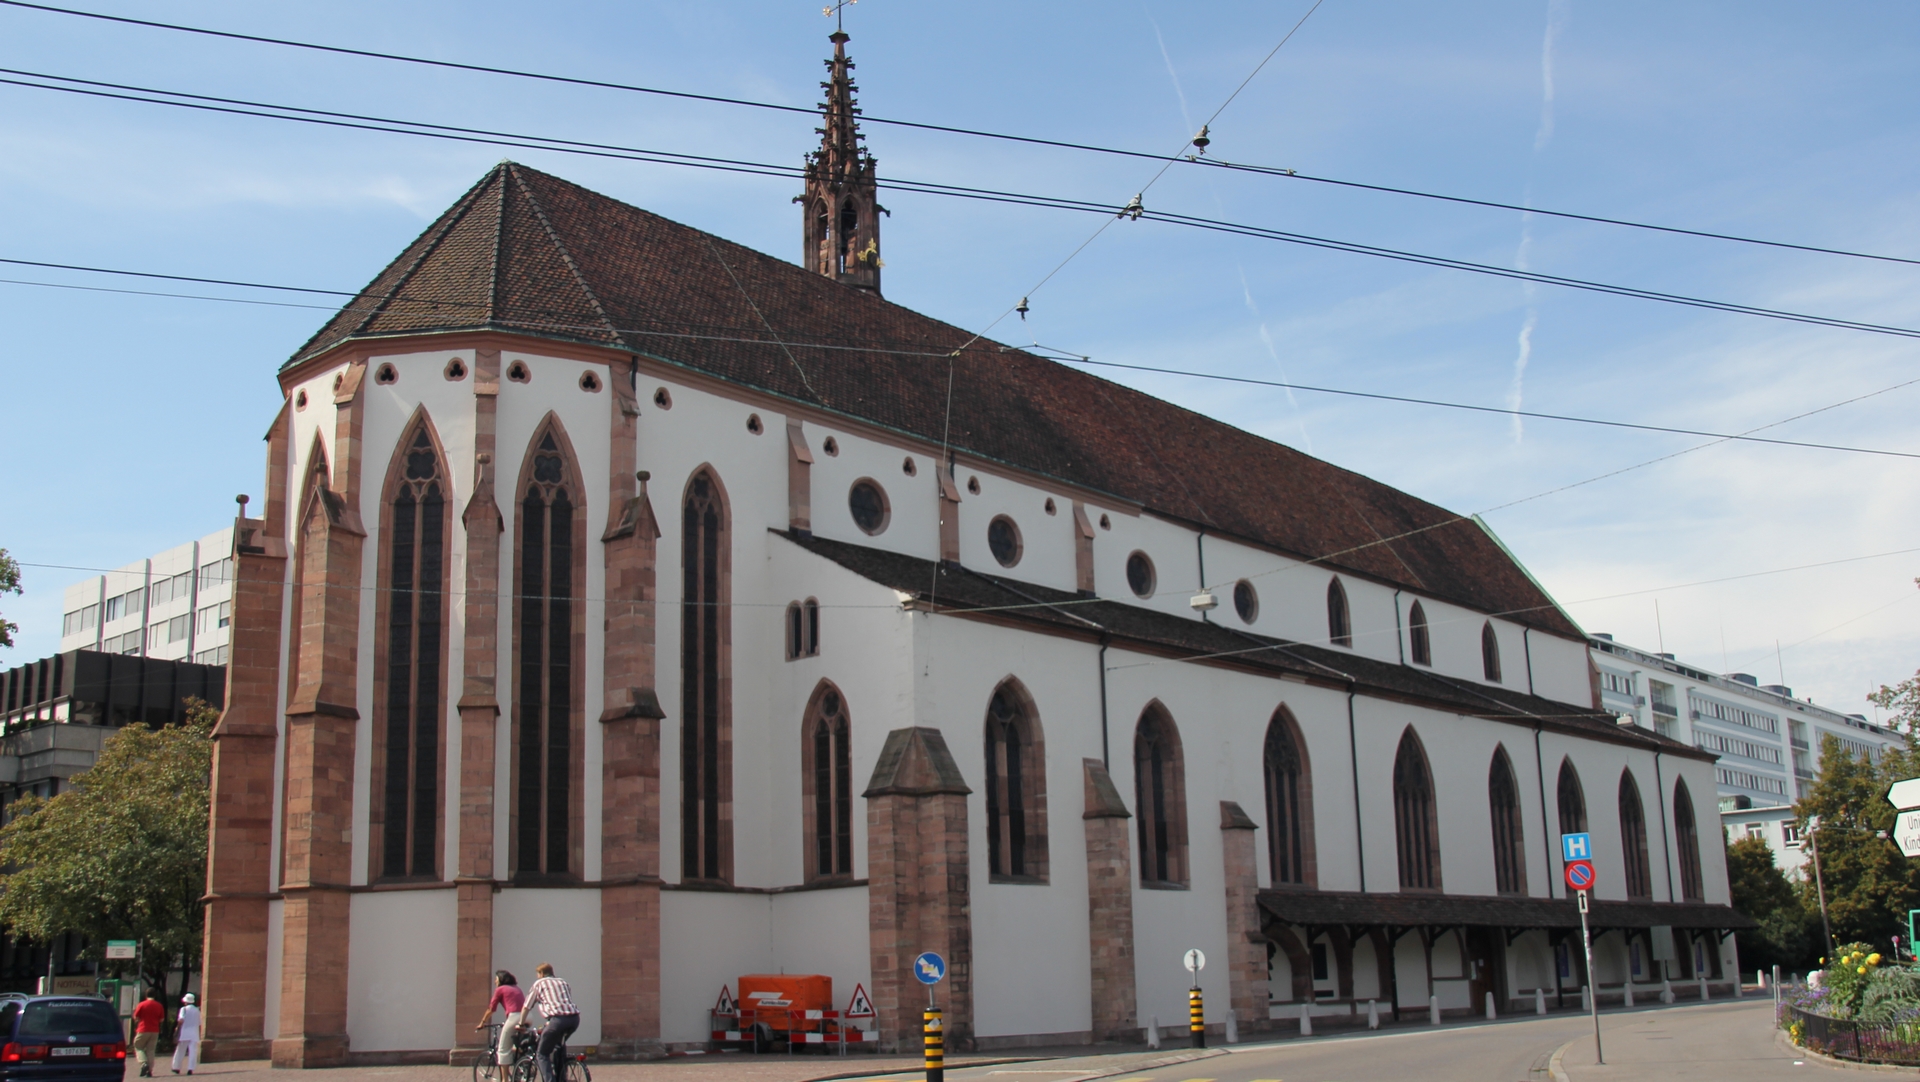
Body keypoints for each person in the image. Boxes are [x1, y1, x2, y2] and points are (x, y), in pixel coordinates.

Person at [523, 963, 579, 1082]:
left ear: (542, 973)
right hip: (574, 1019)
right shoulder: (563, 982)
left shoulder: (539, 983)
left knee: (542, 1054)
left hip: (557, 1020)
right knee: (559, 1046)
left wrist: (520, 1023)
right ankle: (562, 1078)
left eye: (538, 974)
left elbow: (527, 1006)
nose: (537, 977)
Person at [474, 970, 526, 1067]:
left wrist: (482, 1022)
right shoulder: (516, 988)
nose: (495, 982)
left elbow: (491, 1009)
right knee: (516, 1045)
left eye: (496, 979)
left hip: (514, 1017)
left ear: (501, 979)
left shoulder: (500, 989)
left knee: (502, 1050)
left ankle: (504, 1079)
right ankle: (521, 1066)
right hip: (527, 1017)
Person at [131, 991, 163, 1078]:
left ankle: (144, 1063)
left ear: (146, 995)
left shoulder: (142, 1004)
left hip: (143, 1029)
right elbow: (161, 1019)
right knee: (151, 1050)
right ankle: (150, 1071)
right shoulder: (159, 1005)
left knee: (138, 1046)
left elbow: (136, 1017)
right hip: (155, 1030)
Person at [170, 993, 200, 1075]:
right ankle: (191, 1068)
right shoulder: (197, 1010)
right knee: (193, 1051)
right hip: (194, 1033)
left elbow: (181, 1020)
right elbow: (199, 1022)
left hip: (184, 1032)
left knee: (180, 1050)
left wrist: (177, 1027)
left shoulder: (183, 1009)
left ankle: (176, 1067)